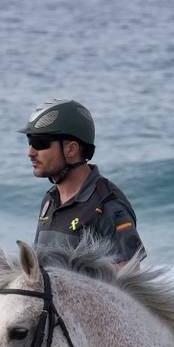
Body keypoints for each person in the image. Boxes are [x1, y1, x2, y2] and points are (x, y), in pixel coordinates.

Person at [21, 99, 145, 263]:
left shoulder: (107, 204)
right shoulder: (50, 199)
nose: (30, 152)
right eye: (30, 142)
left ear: (71, 149)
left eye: (40, 143)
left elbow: (129, 274)